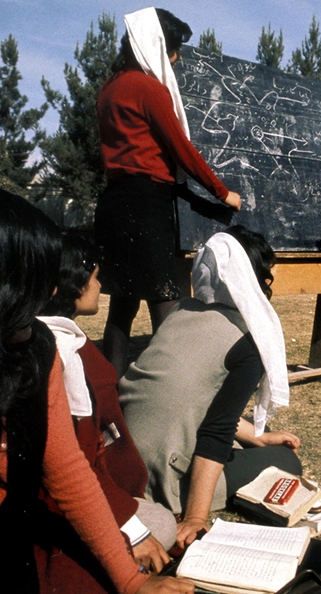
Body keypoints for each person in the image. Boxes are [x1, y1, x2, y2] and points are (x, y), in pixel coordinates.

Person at [0, 190, 193, 594]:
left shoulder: (37, 348)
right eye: (26, 296)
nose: (36, 312)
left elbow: (68, 470)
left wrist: (129, 581)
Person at [120, 226, 302, 548]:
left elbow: (193, 396)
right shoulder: (248, 341)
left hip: (122, 451)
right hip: (157, 473)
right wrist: (195, 518)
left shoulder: (183, 310)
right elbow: (215, 430)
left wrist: (259, 436)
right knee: (286, 462)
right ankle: (185, 497)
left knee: (262, 432)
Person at [95, 7, 241, 377]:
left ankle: (111, 399)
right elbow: (183, 150)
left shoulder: (110, 88)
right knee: (166, 302)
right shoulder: (148, 88)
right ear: (154, 45)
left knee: (121, 309)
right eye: (172, 49)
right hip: (147, 203)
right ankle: (174, 387)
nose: (175, 59)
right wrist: (223, 193)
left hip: (114, 202)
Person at [36, 235, 178, 592]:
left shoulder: (67, 343)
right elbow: (74, 463)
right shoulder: (63, 355)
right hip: (77, 498)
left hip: (97, 489)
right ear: (72, 283)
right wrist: (130, 523)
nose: (99, 286)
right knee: (160, 525)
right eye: (96, 276)